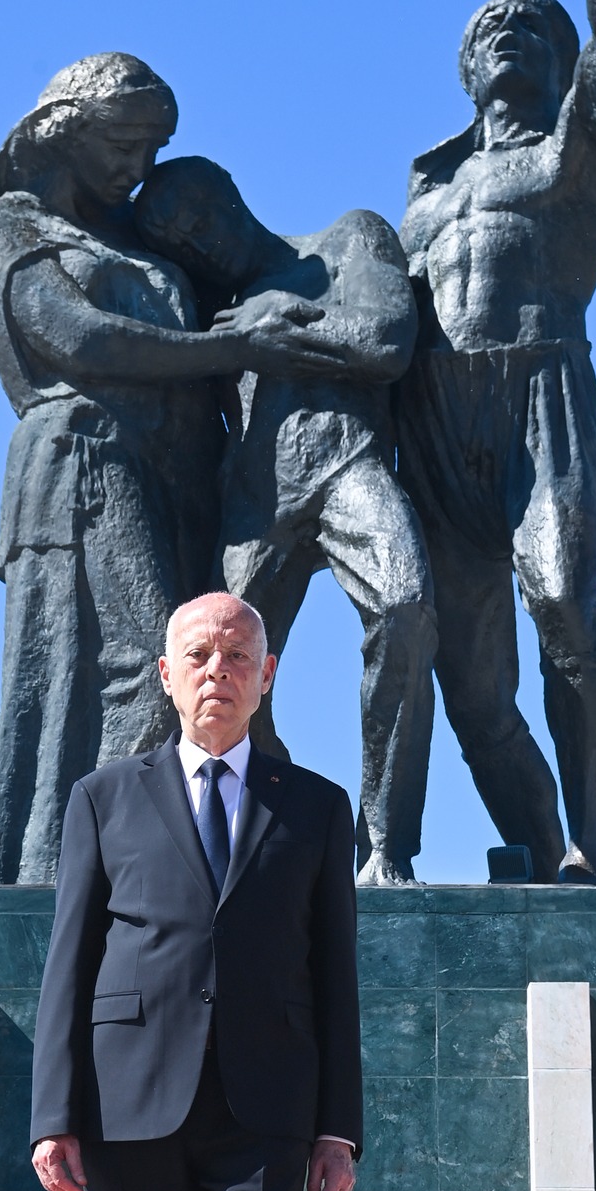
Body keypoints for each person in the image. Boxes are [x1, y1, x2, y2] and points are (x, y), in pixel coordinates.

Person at [29, 591, 361, 1191]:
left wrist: (337, 1127)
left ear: (267, 677)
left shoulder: (315, 808)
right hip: (127, 1108)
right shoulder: (103, 798)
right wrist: (54, 1113)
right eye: (200, 655)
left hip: (265, 1113)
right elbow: (69, 959)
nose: (219, 669)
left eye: (238, 655)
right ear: (167, 676)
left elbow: (335, 975)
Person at [0, 53, 296, 886]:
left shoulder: (141, 240)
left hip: (183, 477)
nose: (135, 167)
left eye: (151, 149)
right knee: (145, 674)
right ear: (58, 133)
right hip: (86, 462)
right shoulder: (8, 227)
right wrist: (232, 347)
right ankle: (83, 883)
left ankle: (143, 880)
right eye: (120, 143)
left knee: (213, 689)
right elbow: (77, 338)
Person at [395, 0, 596, 885]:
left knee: (563, 606)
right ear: (467, 71)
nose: (509, 33)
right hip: (434, 425)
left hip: (543, 403)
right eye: (489, 30)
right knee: (470, 687)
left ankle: (592, 844)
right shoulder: (422, 199)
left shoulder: (571, 157)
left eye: (532, 28)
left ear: (557, 62)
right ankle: (545, 850)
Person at [133, 157, 436, 886]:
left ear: (229, 199)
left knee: (406, 607)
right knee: (213, 661)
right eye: (179, 241)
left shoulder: (346, 240)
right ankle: (275, 834)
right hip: (255, 501)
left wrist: (279, 321)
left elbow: (386, 341)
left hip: (349, 464)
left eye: (198, 221)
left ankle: (385, 843)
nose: (198, 245)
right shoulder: (211, 309)